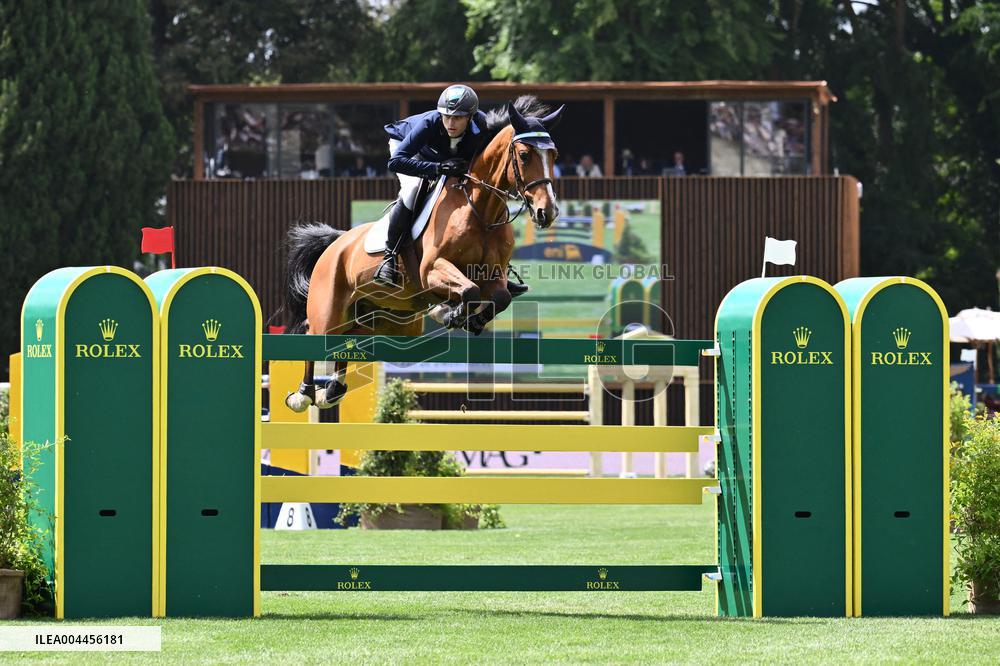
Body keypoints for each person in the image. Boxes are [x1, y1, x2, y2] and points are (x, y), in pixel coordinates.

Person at [375, 84, 488, 288]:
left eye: (458, 118)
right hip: (407, 149)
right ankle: (388, 257)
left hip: (439, 156)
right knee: (413, 188)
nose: (450, 123)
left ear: (470, 117)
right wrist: (437, 168)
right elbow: (396, 162)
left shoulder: (481, 126)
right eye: (446, 116)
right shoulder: (430, 123)